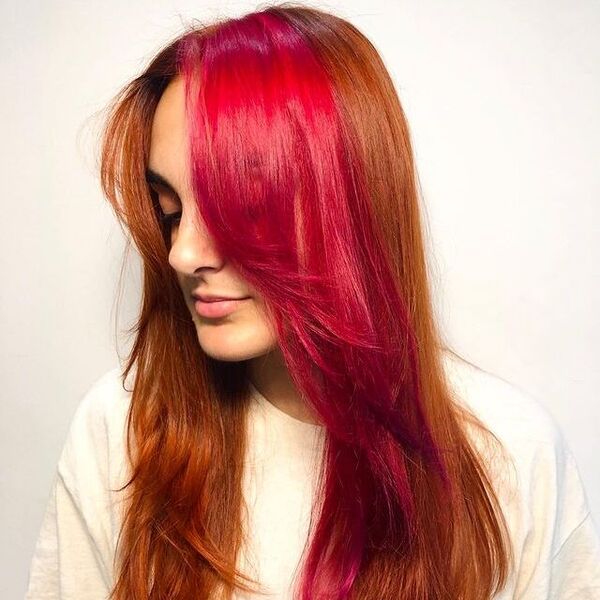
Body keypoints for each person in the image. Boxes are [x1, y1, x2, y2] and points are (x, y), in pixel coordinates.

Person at [25, 3, 600, 599]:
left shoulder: (510, 453)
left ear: (352, 202)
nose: (181, 253)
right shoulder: (123, 433)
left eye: (238, 205)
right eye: (171, 211)